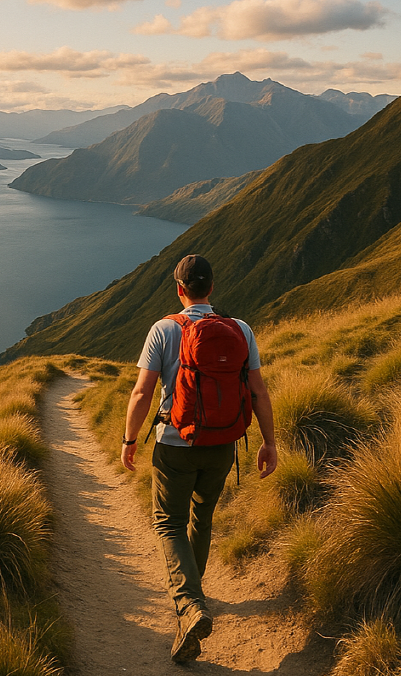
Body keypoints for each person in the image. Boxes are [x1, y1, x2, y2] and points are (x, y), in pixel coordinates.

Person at [120, 254, 277, 663]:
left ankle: (190, 607)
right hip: (223, 442)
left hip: (175, 443)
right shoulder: (240, 329)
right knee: (201, 518)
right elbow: (258, 390)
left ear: (179, 289)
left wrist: (129, 438)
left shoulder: (164, 329)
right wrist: (269, 442)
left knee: (168, 522)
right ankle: (195, 597)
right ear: (212, 288)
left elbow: (141, 393)